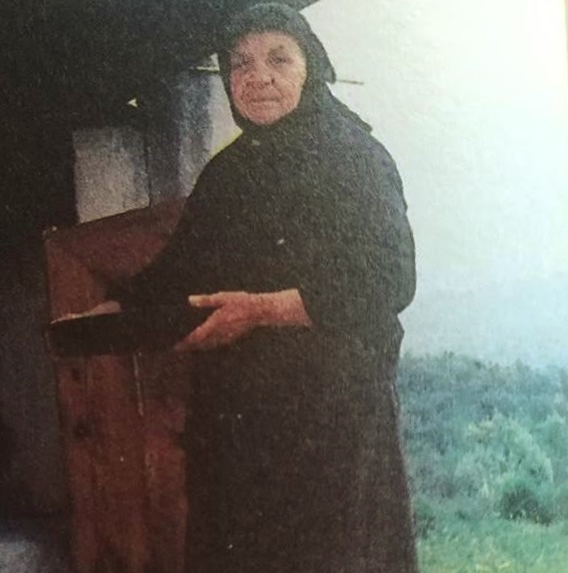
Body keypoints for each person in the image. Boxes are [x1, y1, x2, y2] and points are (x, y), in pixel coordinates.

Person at [99, 3, 420, 572]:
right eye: (241, 64)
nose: (259, 77)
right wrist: (118, 308)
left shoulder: (357, 159)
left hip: (333, 428)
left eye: (278, 59)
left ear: (310, 67)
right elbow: (180, 270)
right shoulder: (228, 174)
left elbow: (389, 279)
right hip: (240, 428)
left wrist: (260, 311)